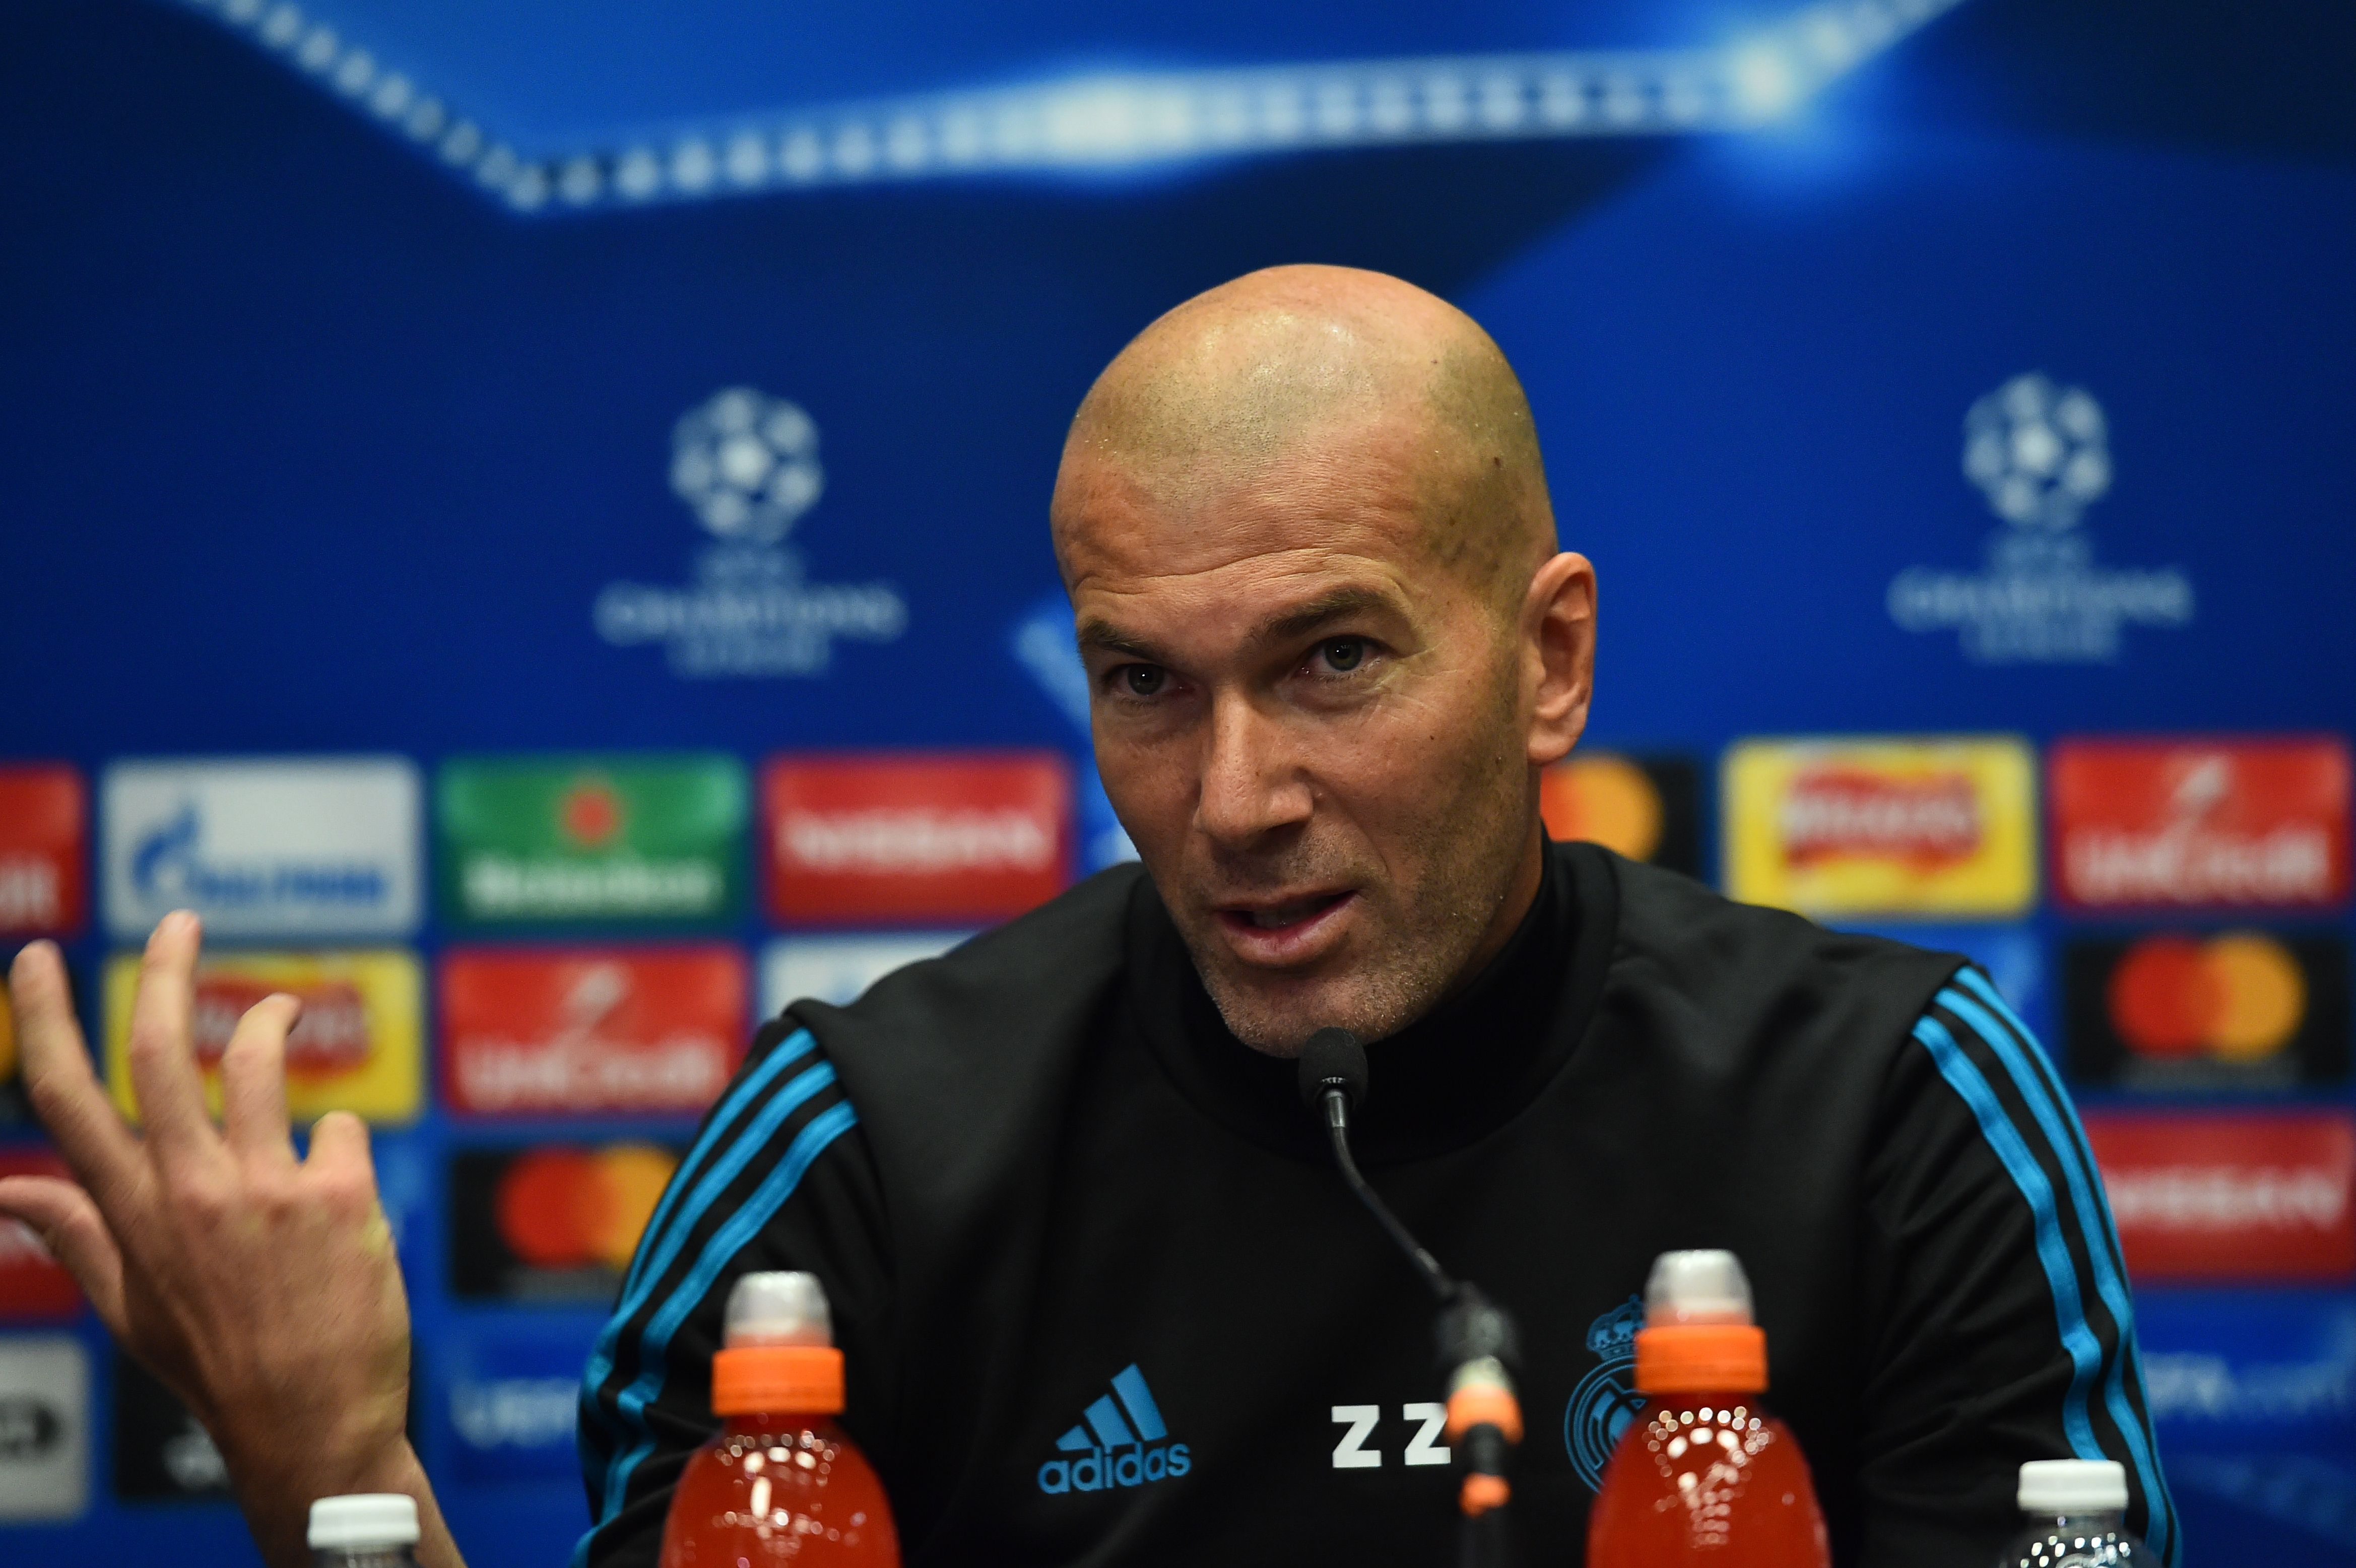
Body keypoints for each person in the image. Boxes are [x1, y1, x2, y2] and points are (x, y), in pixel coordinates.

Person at [0, 266, 2175, 1568]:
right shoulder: (853, 1144)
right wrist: (332, 1473)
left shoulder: (1893, 1106)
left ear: (1546, 660)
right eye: (1142, 682)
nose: (1231, 800)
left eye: (1333, 660)